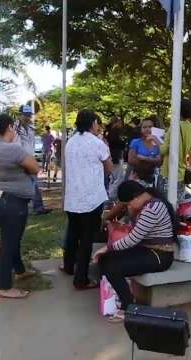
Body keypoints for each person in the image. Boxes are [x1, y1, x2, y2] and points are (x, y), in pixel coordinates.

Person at [94, 181, 177, 322]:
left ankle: (129, 307)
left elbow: (133, 238)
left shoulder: (152, 208)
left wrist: (108, 247)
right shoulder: (146, 204)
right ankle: (118, 298)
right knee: (106, 259)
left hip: (160, 256)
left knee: (114, 267)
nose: (128, 207)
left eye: (128, 204)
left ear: (135, 197)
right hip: (146, 249)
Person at [0, 114, 41, 299]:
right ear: (10, 127)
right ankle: (5, 287)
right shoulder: (12, 149)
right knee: (8, 244)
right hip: (12, 203)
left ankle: (20, 270)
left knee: (12, 239)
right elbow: (35, 167)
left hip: (0, 201)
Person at [62, 110, 113, 290]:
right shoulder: (97, 143)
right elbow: (109, 168)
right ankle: (81, 279)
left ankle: (68, 266)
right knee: (86, 239)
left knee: (73, 233)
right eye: (97, 123)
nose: (99, 126)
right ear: (93, 123)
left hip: (72, 197)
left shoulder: (70, 142)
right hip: (91, 198)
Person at [15, 104, 51, 215]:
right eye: (25, 115)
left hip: (29, 159)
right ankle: (21, 207)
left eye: (29, 115)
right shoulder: (14, 128)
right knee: (19, 185)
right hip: (18, 159)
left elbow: (31, 145)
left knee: (34, 183)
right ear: (20, 115)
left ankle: (38, 207)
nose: (27, 117)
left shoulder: (31, 128)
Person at [159, 99, 191, 201]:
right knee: (178, 205)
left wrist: (155, 139)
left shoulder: (175, 126)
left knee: (166, 206)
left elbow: (163, 150)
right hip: (181, 173)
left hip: (167, 172)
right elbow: (189, 149)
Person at [104, 116, 127, 200]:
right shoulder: (114, 133)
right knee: (118, 177)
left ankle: (111, 194)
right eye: (119, 123)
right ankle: (111, 196)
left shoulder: (107, 132)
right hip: (115, 156)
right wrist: (124, 143)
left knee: (113, 177)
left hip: (112, 156)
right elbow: (117, 144)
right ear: (116, 123)